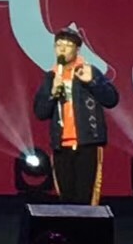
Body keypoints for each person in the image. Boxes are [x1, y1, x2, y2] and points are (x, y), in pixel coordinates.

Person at [33, 28, 119, 204]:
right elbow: (40, 113)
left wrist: (92, 82)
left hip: (87, 143)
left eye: (67, 45)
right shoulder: (51, 76)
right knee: (66, 198)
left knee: (86, 198)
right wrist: (52, 93)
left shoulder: (88, 71)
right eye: (58, 45)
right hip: (61, 146)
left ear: (77, 49)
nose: (62, 49)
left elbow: (111, 99)